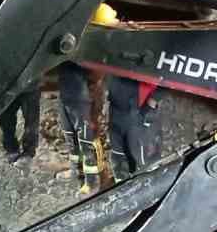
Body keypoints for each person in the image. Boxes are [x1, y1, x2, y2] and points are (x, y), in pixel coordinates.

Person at [56, 62, 98, 192]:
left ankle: (90, 182)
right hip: (64, 96)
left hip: (79, 97)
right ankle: (75, 170)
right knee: (70, 137)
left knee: (85, 141)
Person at [107, 76, 159, 177]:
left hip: (138, 115)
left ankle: (147, 189)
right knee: (118, 161)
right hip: (116, 113)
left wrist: (152, 102)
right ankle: (121, 189)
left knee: (142, 163)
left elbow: (167, 78)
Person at [0, 81, 41, 163]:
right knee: (5, 119)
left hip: (30, 82)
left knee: (31, 121)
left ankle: (29, 152)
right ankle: (11, 150)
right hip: (6, 84)